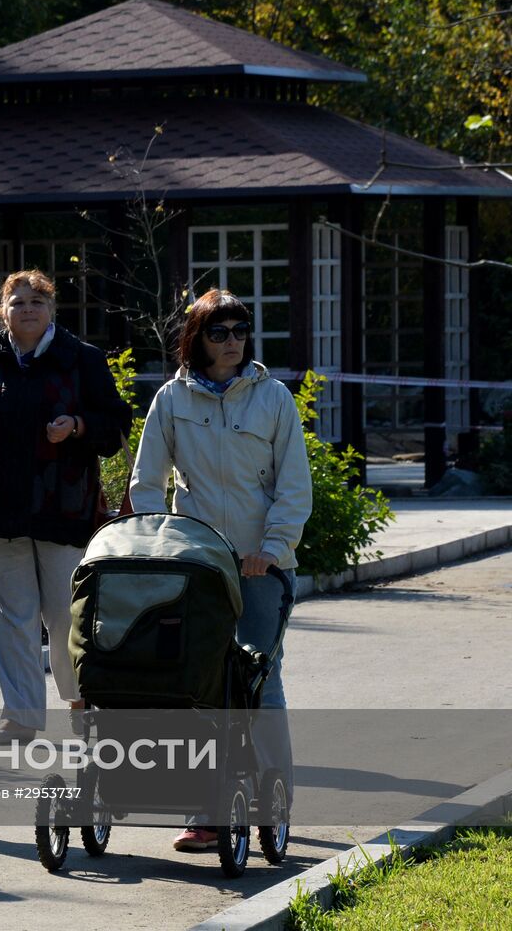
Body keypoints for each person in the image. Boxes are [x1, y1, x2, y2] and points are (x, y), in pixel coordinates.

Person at [129, 288, 311, 852]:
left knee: (259, 681)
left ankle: (271, 796)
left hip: (262, 566)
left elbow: (293, 485)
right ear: (198, 338)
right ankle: (205, 811)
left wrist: (273, 548)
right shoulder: (171, 400)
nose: (233, 341)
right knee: (198, 687)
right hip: (197, 567)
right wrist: (158, 546)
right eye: (220, 332)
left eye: (241, 329)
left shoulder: (273, 398)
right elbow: (145, 483)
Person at [0, 269, 131, 744]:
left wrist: (80, 425)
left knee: (67, 615)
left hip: (64, 509)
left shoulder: (80, 358)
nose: (27, 309)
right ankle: (21, 716)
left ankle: (81, 702)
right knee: (12, 618)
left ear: (52, 309)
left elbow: (116, 426)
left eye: (37, 301)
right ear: (1, 310)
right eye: (17, 302)